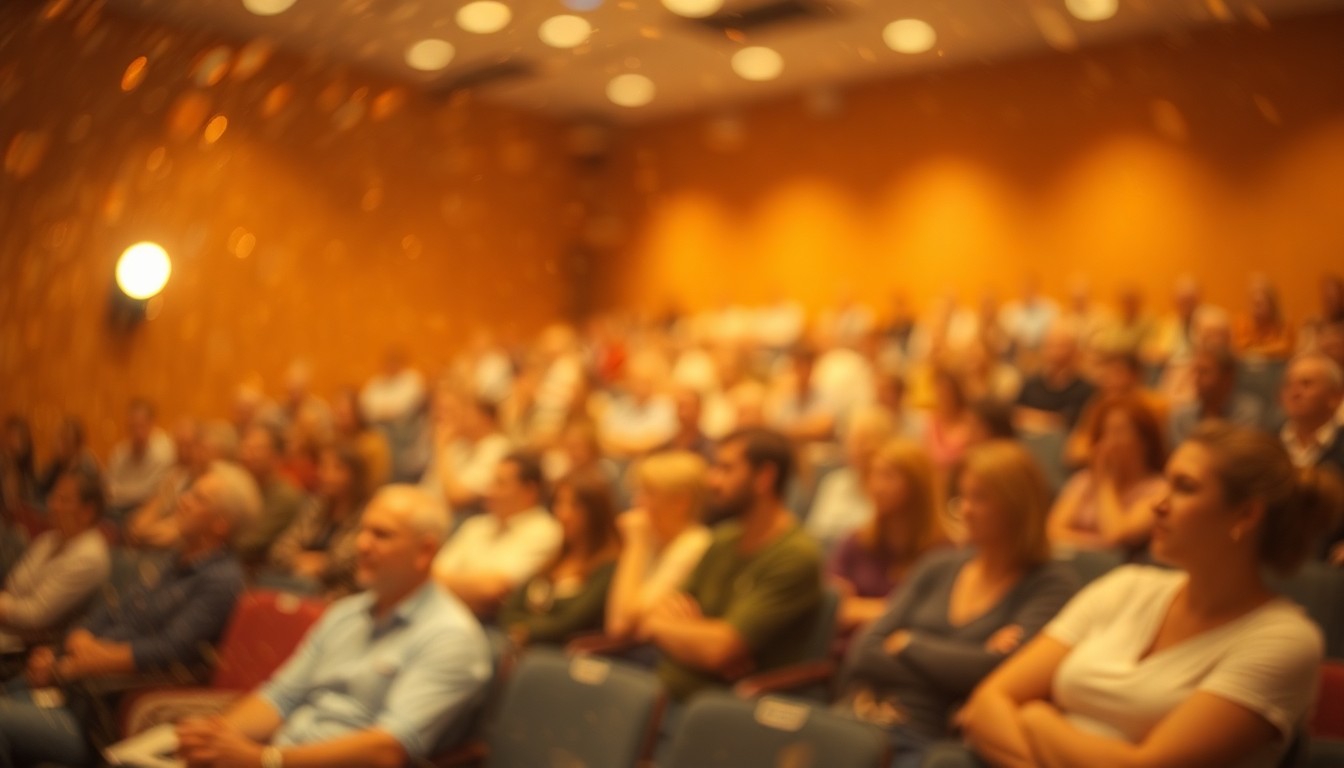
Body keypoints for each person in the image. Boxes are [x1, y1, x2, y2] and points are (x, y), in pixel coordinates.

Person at [960, 422, 1342, 768]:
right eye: (1164, 483)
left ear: (1245, 516)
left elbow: (1147, 765)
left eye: (1184, 487)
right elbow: (987, 702)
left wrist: (1039, 720)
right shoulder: (1127, 586)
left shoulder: (1285, 641)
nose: (1157, 504)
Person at [172, 485, 492, 766]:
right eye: (363, 530)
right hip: (284, 753)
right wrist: (215, 737)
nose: (362, 544)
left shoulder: (451, 637)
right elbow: (281, 697)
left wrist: (264, 760)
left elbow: (388, 749)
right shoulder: (345, 613)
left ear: (425, 551)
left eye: (381, 535)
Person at [0, 462, 257, 766]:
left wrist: (80, 663)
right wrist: (67, 647)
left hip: (97, 716)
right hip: (71, 685)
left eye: (198, 498)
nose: (183, 500)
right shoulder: (175, 561)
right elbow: (112, 612)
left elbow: (171, 649)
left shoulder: (221, 580)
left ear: (220, 525)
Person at [839, 440, 1077, 768]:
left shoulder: (1049, 585)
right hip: (858, 715)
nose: (965, 510)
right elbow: (864, 650)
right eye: (961, 497)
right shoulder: (938, 565)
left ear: (1017, 505)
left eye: (980, 498)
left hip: (929, 738)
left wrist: (909, 644)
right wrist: (965, 664)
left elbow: (998, 676)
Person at [638, 428, 823, 703]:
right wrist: (692, 635)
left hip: (721, 706)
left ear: (764, 477)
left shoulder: (795, 555)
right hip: (662, 686)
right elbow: (653, 617)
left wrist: (692, 636)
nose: (712, 480)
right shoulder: (723, 539)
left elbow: (720, 650)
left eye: (726, 469)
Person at [827, 439, 947, 636]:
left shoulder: (943, 552)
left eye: (889, 476)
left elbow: (931, 619)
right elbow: (834, 609)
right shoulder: (856, 542)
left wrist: (862, 608)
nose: (877, 486)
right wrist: (895, 611)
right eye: (874, 474)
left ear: (917, 486)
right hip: (849, 646)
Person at [433, 452, 562, 619]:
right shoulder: (476, 525)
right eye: (491, 482)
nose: (489, 491)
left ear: (529, 490)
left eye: (500, 483)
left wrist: (445, 583)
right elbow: (431, 574)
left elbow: (492, 589)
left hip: (492, 624)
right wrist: (471, 589)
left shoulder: (545, 531)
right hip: (443, 612)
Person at [498, 469, 620, 646]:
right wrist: (522, 629)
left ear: (596, 511)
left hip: (563, 655)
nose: (563, 514)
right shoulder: (554, 559)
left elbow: (571, 623)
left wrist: (527, 631)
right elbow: (509, 610)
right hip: (527, 649)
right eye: (559, 503)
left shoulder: (609, 566)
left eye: (575, 506)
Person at [605, 451, 713, 640]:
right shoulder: (655, 540)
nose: (637, 502)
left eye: (648, 493)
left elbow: (621, 623)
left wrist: (635, 544)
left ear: (681, 502)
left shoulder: (695, 545)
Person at [1048, 395, 1168, 554]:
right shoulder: (1084, 480)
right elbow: (1052, 530)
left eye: (1118, 432)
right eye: (1103, 434)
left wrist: (1105, 483)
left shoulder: (1159, 491)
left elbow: (1117, 535)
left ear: (1145, 441)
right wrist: (1098, 544)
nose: (1108, 443)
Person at [0, 465, 110, 637]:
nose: (52, 504)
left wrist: (6, 606)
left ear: (87, 512)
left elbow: (36, 615)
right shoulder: (49, 539)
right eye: (54, 496)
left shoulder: (90, 555)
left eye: (63, 500)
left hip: (34, 643)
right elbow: (13, 584)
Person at [266, 445, 370, 595]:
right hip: (296, 585)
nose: (325, 474)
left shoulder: (366, 514)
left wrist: (321, 564)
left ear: (355, 476)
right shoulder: (316, 506)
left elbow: (347, 562)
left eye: (336, 468)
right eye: (323, 467)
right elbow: (280, 549)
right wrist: (301, 561)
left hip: (338, 594)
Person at [806, 406, 898, 553]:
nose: (856, 448)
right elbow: (813, 534)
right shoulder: (834, 482)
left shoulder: (889, 489)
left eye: (865, 441)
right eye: (851, 441)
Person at [234, 424, 305, 567]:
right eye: (246, 447)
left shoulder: (284, 496)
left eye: (256, 449)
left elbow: (251, 543)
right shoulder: (243, 486)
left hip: (259, 569)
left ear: (276, 457)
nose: (247, 454)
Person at [1168, 344, 1264, 447]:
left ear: (1227, 377)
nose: (1196, 379)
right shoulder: (1182, 417)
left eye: (1204, 372)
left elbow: (1240, 453)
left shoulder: (1248, 413)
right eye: (1195, 371)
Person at [105, 398, 177, 519]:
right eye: (132, 427)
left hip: (146, 511)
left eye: (141, 426)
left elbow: (152, 493)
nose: (137, 432)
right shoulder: (121, 451)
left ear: (152, 423)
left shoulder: (164, 451)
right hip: (115, 508)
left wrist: (119, 493)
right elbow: (108, 487)